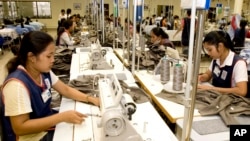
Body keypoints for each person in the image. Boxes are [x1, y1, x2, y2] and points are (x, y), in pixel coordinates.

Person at [0, 31, 100, 141]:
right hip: (31, 137)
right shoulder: (17, 85)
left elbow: (65, 89)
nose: (53, 60)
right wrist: (61, 117)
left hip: (45, 126)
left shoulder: (43, 72)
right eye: (49, 56)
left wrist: (90, 99)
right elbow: (20, 128)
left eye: (53, 55)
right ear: (31, 57)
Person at [198, 30, 248, 97]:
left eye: (210, 50)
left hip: (230, 101)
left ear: (220, 46)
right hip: (216, 96)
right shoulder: (216, 59)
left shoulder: (238, 63)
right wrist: (202, 77)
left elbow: (242, 91)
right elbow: (208, 74)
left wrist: (211, 89)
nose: (208, 54)